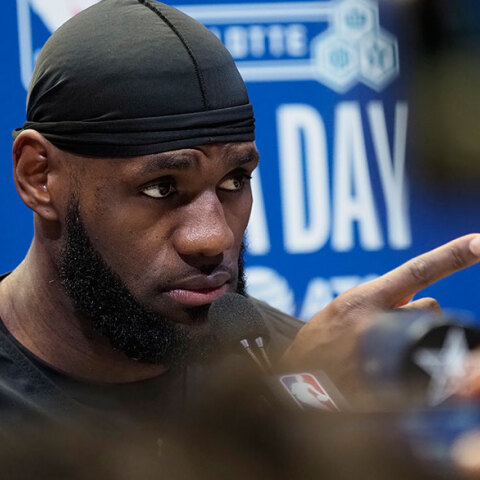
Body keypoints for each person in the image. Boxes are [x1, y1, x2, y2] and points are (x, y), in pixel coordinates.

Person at [1, 0, 479, 428]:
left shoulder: (298, 369)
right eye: (161, 188)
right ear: (39, 176)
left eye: (234, 181)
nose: (213, 238)